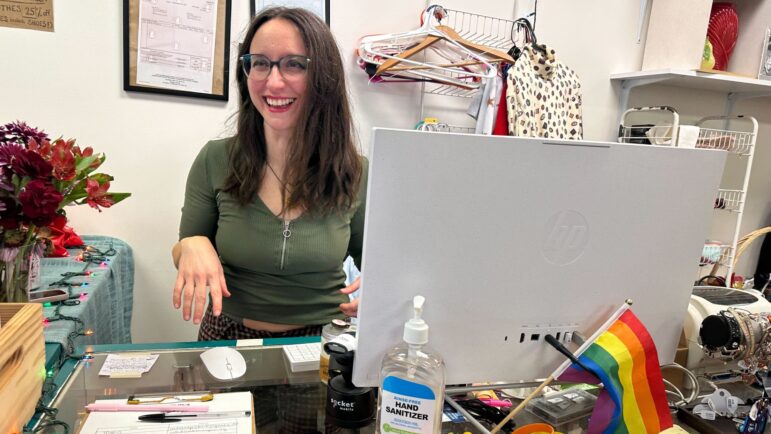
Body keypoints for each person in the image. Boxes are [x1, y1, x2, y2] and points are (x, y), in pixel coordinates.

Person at [172, 6, 366, 341]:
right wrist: (190, 245)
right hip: (226, 337)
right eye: (260, 63)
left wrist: (386, 288)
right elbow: (185, 248)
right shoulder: (215, 159)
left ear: (324, 76)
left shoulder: (356, 172)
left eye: (294, 64)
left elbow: (382, 263)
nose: (273, 82)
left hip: (324, 343)